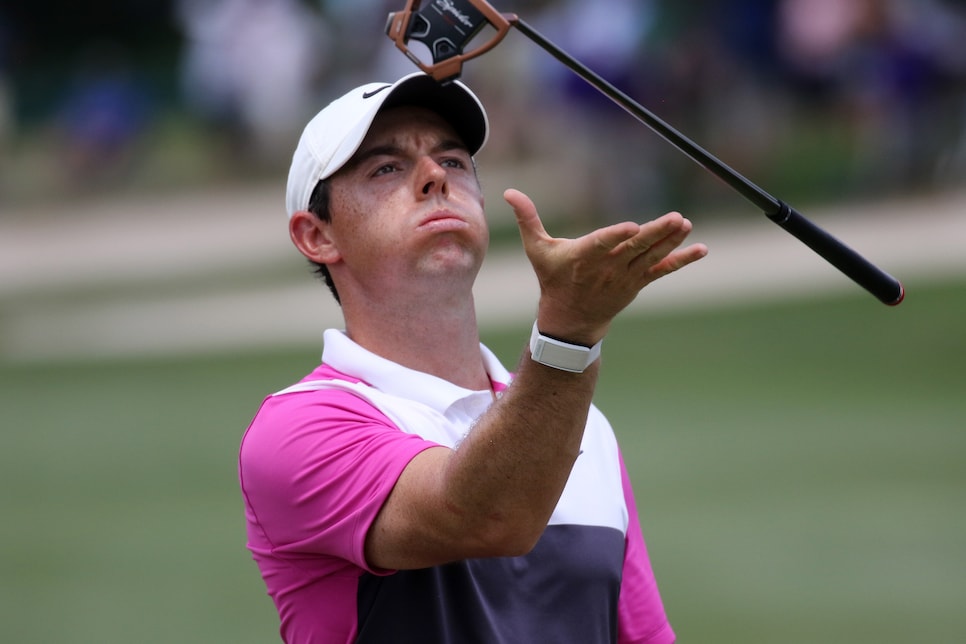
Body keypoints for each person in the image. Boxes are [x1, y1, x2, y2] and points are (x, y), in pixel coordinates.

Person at [238, 71, 708, 644]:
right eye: (386, 168)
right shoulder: (297, 429)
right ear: (317, 235)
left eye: (454, 161)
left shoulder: (582, 426)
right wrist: (568, 335)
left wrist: (569, 345)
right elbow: (486, 517)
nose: (435, 177)